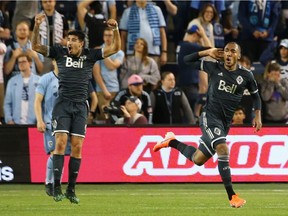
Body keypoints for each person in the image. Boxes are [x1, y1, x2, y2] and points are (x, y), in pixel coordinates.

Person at [153, 42, 262, 208]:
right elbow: (184, 61)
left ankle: (171, 141)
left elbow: (256, 97)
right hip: (209, 116)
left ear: (238, 56)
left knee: (198, 159)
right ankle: (232, 196)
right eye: (226, 50)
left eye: (233, 51)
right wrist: (207, 52)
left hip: (224, 123)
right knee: (223, 148)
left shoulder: (246, 75)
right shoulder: (214, 67)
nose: (229, 54)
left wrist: (257, 115)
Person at [31, 13, 121, 204]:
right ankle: (56, 187)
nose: (69, 43)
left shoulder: (91, 55)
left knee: (78, 147)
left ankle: (71, 189)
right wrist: (37, 27)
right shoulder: (59, 52)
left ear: (81, 43)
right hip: (62, 104)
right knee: (61, 144)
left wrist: (115, 30)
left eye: (73, 40)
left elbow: (116, 48)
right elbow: (36, 46)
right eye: (68, 39)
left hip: (80, 106)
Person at [34, 67, 71, 196]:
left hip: (66, 123)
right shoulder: (46, 79)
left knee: (60, 155)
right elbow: (37, 101)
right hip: (50, 123)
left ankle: (57, 184)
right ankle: (49, 182)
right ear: (55, 61)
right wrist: (39, 120)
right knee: (54, 153)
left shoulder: (70, 78)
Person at [93, 27, 124, 122]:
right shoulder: (96, 52)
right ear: (103, 37)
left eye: (110, 35)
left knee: (115, 118)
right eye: (106, 35)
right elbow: (96, 73)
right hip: (101, 90)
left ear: (114, 37)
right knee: (103, 118)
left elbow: (112, 66)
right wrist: (105, 90)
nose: (108, 38)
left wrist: (103, 52)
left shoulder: (119, 52)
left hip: (115, 88)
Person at [4, 53, 40, 124]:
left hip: (35, 125)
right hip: (16, 124)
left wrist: (41, 120)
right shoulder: (12, 81)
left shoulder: (39, 81)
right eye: (19, 62)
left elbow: (44, 104)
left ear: (30, 63)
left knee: (34, 135)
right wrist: (9, 119)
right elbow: (7, 103)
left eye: (23, 61)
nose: (21, 64)